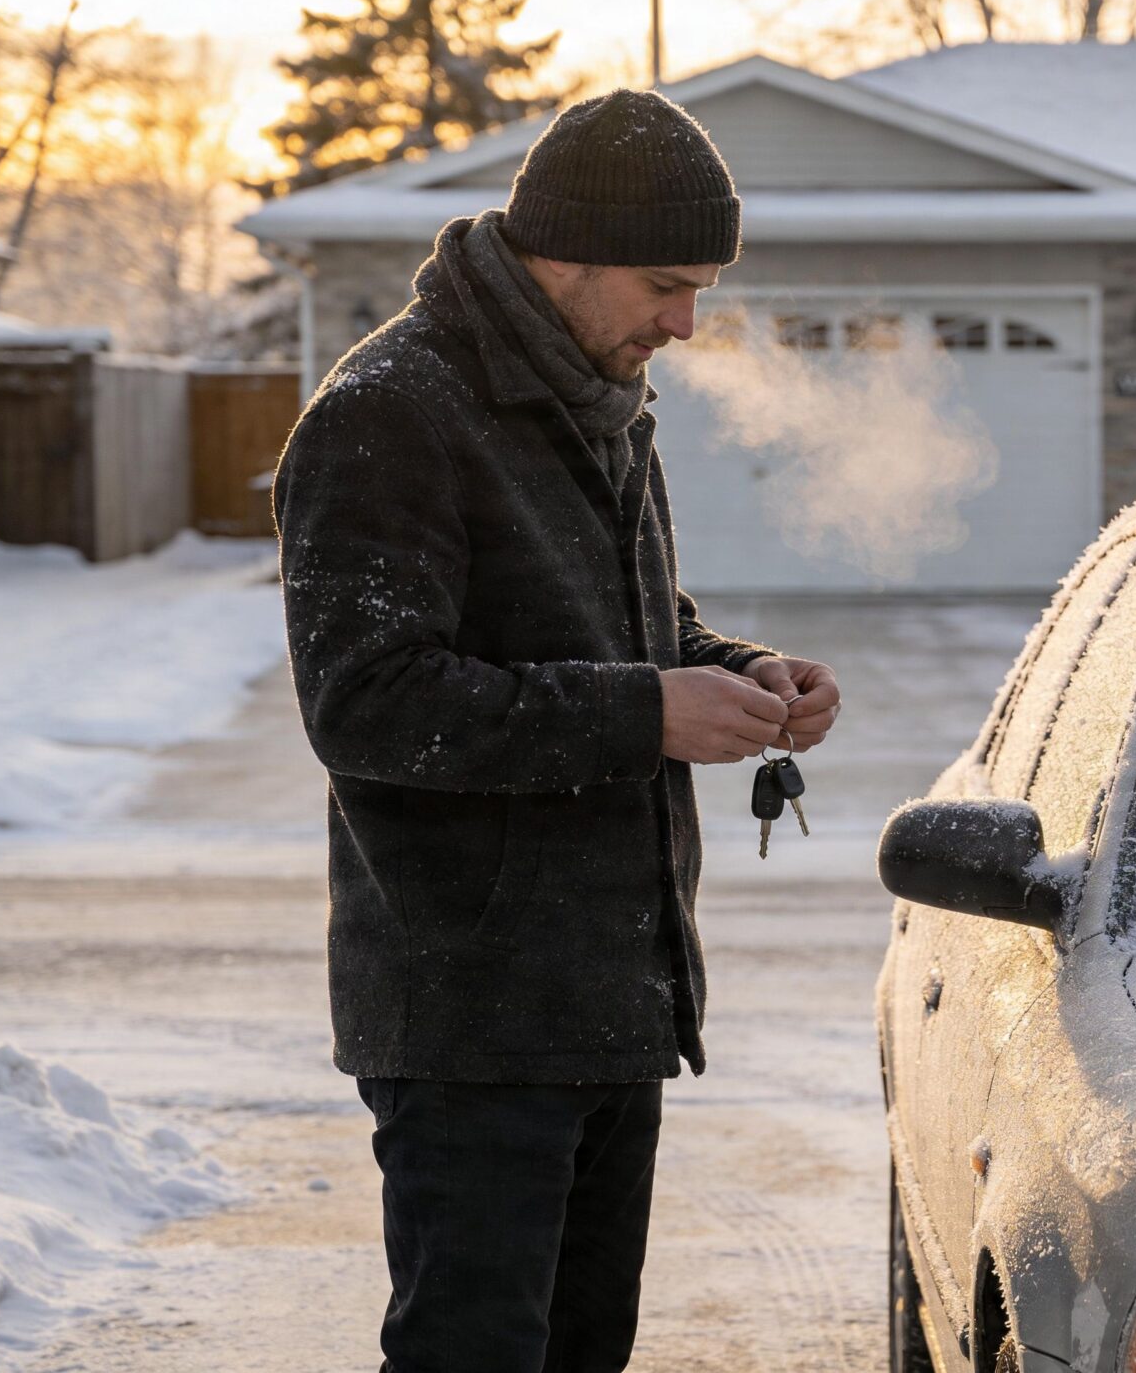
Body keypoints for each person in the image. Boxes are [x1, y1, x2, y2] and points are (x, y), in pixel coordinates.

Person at [271, 87, 842, 1372]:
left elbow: (633, 628)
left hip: (609, 996)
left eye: (699, 291)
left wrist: (741, 673)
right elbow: (368, 703)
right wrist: (647, 713)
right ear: (566, 253)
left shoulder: (597, 398)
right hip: (473, 1014)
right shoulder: (391, 413)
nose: (686, 324)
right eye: (666, 284)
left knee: (586, 1353)